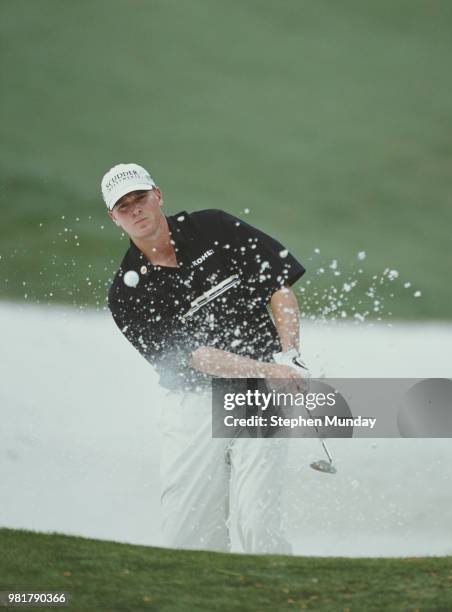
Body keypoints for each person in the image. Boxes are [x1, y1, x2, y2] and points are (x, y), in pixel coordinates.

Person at [102, 162, 306, 554]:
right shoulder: (126, 293)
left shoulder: (214, 227)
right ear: (114, 218)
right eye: (124, 207)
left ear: (157, 195)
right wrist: (272, 369)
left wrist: (291, 355)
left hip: (259, 393)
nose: (136, 210)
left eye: (140, 198)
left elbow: (277, 286)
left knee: (257, 525)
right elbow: (195, 357)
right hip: (192, 398)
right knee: (187, 535)